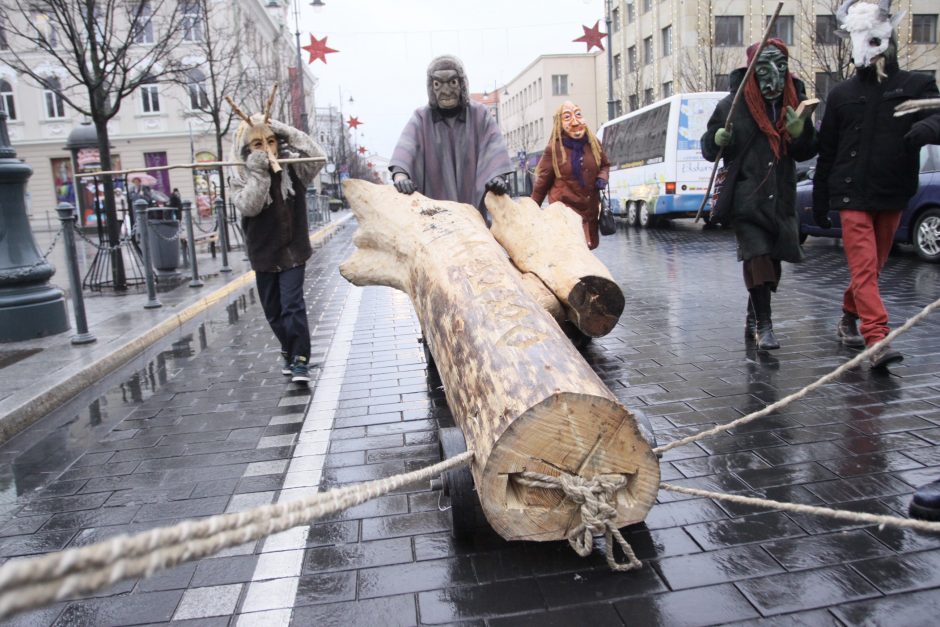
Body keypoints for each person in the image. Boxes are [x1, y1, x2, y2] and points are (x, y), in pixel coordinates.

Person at [812, 0, 940, 369]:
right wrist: (821, 199)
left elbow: (937, 115)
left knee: (873, 266)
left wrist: (926, 128)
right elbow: (828, 151)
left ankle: (849, 314)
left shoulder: (916, 85)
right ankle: (877, 339)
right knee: (865, 265)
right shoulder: (841, 95)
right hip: (851, 193)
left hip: (892, 191)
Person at [701, 38, 818, 351]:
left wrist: (800, 133)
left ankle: (753, 314)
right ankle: (765, 326)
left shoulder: (795, 103)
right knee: (758, 257)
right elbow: (707, 148)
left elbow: (808, 148)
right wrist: (716, 137)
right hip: (747, 197)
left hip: (781, 198)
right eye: (764, 69)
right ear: (752, 70)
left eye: (780, 68)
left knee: (774, 260)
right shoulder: (731, 105)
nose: (773, 77)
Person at [228, 105, 326, 384]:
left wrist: (287, 132)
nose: (266, 148)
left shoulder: (293, 167)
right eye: (258, 143)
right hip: (264, 252)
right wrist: (259, 173)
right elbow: (249, 206)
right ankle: (288, 348)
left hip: (293, 249)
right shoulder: (239, 175)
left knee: (292, 305)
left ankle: (300, 360)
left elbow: (318, 157)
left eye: (271, 141)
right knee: (273, 310)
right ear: (247, 148)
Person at [389, 55, 513, 218]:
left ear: (462, 83)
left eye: (452, 83)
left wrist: (497, 177)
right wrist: (401, 176)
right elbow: (407, 148)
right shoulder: (421, 118)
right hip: (436, 220)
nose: (446, 91)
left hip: (474, 218)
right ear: (431, 87)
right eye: (438, 84)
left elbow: (493, 147)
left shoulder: (480, 115)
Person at [530, 100, 611, 250]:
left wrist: (602, 177)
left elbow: (605, 164)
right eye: (567, 117)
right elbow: (541, 185)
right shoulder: (554, 149)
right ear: (560, 123)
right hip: (565, 215)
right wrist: (531, 213)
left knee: (586, 252)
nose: (575, 122)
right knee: (572, 253)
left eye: (578, 114)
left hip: (589, 212)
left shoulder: (593, 143)